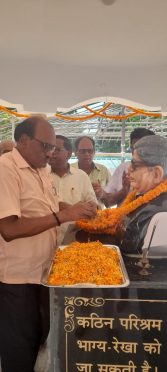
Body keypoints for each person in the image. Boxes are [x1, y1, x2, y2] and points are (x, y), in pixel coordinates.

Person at [0, 116, 97, 372]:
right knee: (19, 349)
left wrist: (74, 208)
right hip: (17, 280)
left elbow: (49, 206)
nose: (50, 153)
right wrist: (61, 216)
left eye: (53, 147)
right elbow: (8, 228)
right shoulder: (5, 169)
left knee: (41, 338)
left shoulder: (41, 168)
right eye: (45, 146)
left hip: (45, 273)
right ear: (23, 140)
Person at [76, 135, 167, 255]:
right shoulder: (142, 195)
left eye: (134, 165)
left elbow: (128, 245)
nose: (129, 169)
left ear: (156, 174)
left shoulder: (155, 209)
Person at [49, 135, 98, 245]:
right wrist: (64, 207)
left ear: (69, 153)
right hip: (45, 241)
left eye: (57, 149)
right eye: (50, 148)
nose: (52, 153)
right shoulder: (40, 175)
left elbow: (93, 207)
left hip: (74, 242)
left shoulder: (81, 176)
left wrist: (72, 210)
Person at [94, 127, 155, 207]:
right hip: (123, 218)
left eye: (142, 148)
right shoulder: (123, 168)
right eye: (134, 147)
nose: (138, 151)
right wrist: (123, 191)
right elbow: (108, 202)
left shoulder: (161, 171)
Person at [72, 135, 111, 208]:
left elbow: (111, 202)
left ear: (94, 152)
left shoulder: (103, 170)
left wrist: (102, 194)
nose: (87, 154)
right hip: (73, 217)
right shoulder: (68, 170)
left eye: (90, 151)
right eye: (83, 151)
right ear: (75, 153)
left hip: (98, 217)